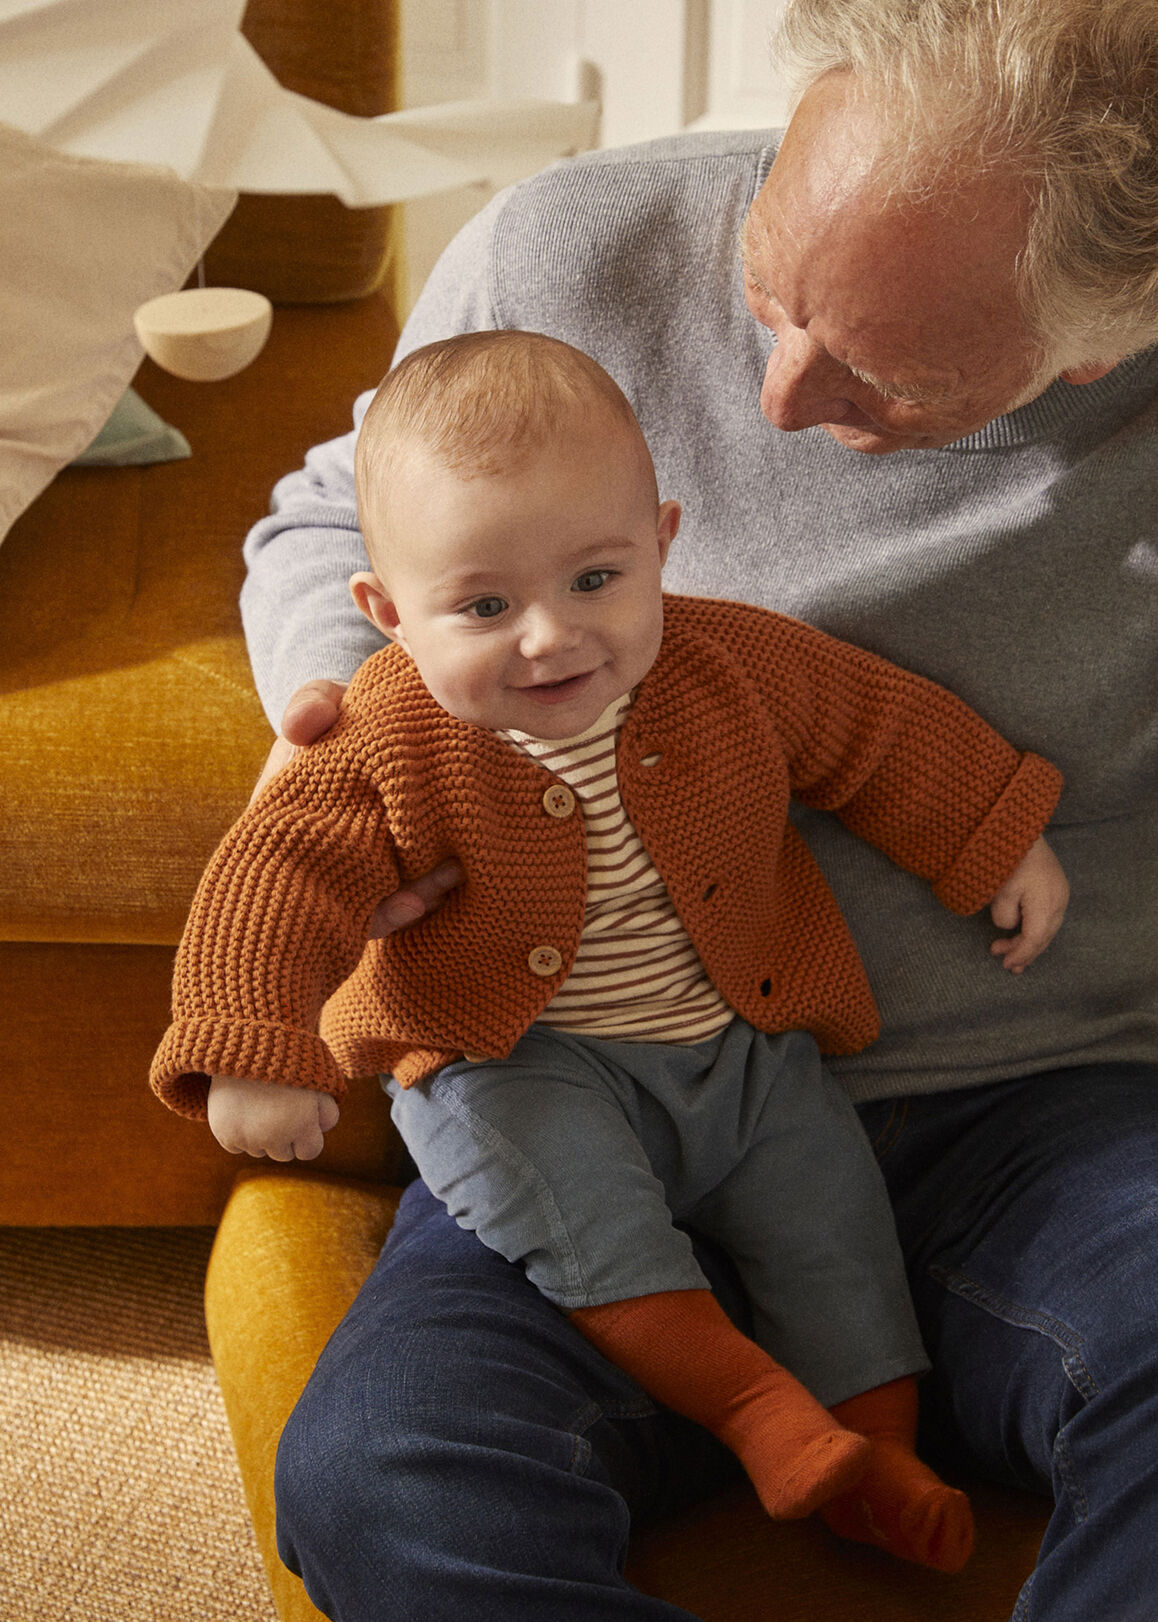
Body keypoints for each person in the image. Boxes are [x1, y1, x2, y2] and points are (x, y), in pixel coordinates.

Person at [237, 1, 1158, 1617]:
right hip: (577, 1092)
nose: (780, 395)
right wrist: (345, 731)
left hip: (1044, 1116)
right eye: (769, 290)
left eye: (881, 366)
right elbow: (331, 514)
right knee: (386, 1475)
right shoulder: (564, 246)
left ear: (1111, 327)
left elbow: (874, 730)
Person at [153, 328, 1067, 1569]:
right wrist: (257, 1045)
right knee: (591, 1229)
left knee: (833, 1221)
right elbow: (275, 878)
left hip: (737, 1043)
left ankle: (878, 1446)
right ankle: (755, 1411)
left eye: (595, 579)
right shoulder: (385, 734)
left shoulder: (724, 662)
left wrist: (992, 834)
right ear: (387, 613)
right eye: (483, 605)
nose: (549, 636)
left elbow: (872, 729)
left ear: (662, 542)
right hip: (511, 1064)